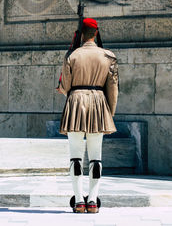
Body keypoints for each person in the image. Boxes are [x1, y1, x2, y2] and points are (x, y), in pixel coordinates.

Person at [57, 18, 119, 213]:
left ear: (81, 34)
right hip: (99, 104)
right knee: (96, 156)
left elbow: (64, 87)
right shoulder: (108, 56)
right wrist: (109, 112)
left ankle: (78, 200)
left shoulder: (72, 55)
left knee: (75, 157)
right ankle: (92, 201)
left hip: (76, 102)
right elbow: (113, 89)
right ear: (96, 33)